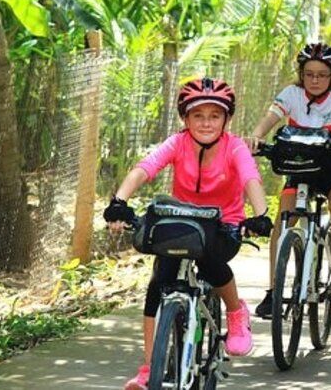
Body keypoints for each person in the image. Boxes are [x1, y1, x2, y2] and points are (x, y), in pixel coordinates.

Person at [104, 77, 272, 390]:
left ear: (226, 119)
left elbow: (251, 179)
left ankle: (236, 312)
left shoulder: (234, 146)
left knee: (210, 262)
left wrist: (260, 215)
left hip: (223, 225)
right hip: (180, 222)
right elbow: (146, 167)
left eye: (214, 116)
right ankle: (149, 366)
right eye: (198, 115)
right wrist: (119, 201)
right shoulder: (177, 142)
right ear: (185, 118)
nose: (206, 122)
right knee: (159, 283)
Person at [244, 43, 331, 319]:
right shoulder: (291, 94)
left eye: (322, 75)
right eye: (309, 74)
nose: (315, 80)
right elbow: (270, 118)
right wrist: (256, 136)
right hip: (300, 164)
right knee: (283, 217)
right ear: (301, 74)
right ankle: (274, 290)